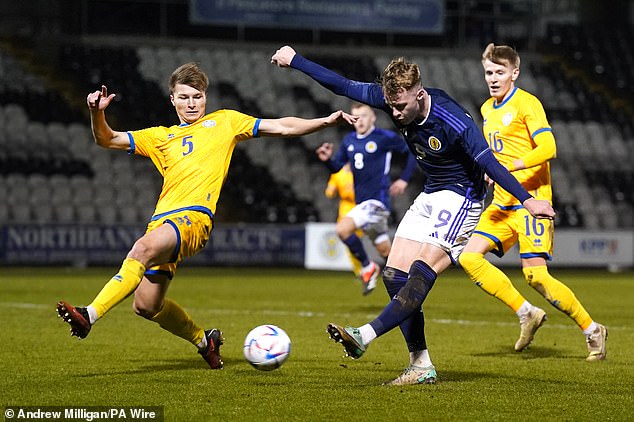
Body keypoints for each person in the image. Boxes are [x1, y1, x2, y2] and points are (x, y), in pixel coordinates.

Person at [271, 46, 555, 385]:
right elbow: (343, 85)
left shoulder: (453, 119)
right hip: (433, 192)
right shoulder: (391, 99)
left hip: (463, 196)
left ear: (419, 95)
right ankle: (420, 364)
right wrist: (295, 61)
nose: (395, 112)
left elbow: (488, 162)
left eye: (401, 105)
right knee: (394, 275)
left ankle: (364, 335)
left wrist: (527, 201)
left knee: (421, 271)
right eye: (390, 105)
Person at [56, 62, 357, 370]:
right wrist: (97, 112)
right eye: (184, 97)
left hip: (194, 219)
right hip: (163, 223)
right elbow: (106, 139)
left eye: (197, 96)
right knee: (146, 306)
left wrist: (324, 121)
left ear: (205, 98)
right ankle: (205, 340)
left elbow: (280, 126)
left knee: (141, 249)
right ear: (172, 99)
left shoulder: (225, 122)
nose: (191, 103)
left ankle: (88, 316)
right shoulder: (160, 137)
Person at [458, 43, 607, 361]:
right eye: (489, 72)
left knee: (536, 276)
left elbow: (548, 148)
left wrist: (507, 168)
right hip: (500, 204)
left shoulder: (528, 103)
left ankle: (593, 330)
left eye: (500, 72)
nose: (493, 78)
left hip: (532, 202)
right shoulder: (486, 109)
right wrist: (489, 172)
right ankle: (526, 312)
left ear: (515, 72)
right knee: (469, 258)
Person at [317, 102, 416, 295]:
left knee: (342, 229)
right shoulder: (349, 141)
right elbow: (338, 166)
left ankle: (367, 267)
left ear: (373, 118)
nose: (359, 121)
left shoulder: (383, 137)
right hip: (363, 203)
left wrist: (404, 180)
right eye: (355, 117)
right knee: (386, 252)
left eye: (363, 116)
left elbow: (412, 151)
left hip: (377, 201)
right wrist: (328, 159)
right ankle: (410, 283)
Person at [325, 163, 363, 277]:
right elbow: (329, 193)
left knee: (358, 242)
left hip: (359, 210)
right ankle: (359, 270)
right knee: (350, 242)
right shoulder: (338, 175)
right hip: (345, 212)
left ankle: (365, 266)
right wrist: (331, 190)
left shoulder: (359, 173)